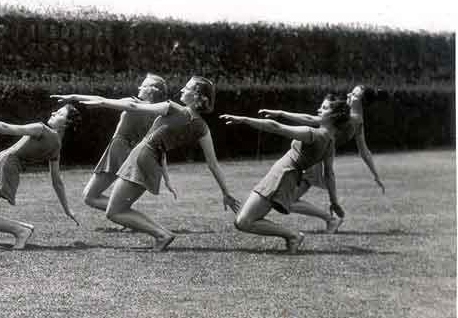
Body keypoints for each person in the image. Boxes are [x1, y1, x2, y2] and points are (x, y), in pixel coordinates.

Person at [79, 76, 240, 251]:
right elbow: (213, 164)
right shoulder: (202, 127)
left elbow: (134, 106)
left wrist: (102, 102)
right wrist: (226, 193)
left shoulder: (172, 108)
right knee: (118, 209)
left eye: (187, 88)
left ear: (197, 96)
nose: (182, 90)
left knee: (115, 212)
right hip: (153, 162)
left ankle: (162, 234)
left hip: (142, 156)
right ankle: (162, 234)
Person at [221, 97, 352, 254]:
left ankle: (293, 236)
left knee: (243, 222)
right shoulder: (330, 142)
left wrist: (243, 120)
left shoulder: (313, 134)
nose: (318, 110)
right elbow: (329, 174)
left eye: (323, 108)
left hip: (282, 175)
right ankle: (292, 236)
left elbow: (276, 127)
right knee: (244, 220)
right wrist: (334, 201)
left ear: (333, 116)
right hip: (288, 176)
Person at [0, 104, 80, 250]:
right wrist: (67, 209)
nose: (53, 112)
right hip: (8, 168)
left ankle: (20, 231)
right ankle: (23, 228)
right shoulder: (57, 146)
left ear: (66, 123)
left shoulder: (41, 129)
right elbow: (57, 181)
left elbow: (5, 127)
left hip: (4, 167)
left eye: (59, 113)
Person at [50, 73, 167, 217]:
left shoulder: (134, 102)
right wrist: (165, 176)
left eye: (143, 85)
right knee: (91, 196)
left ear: (152, 90)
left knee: (89, 197)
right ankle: (126, 212)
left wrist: (74, 97)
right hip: (133, 153)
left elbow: (101, 100)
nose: (139, 87)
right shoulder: (158, 111)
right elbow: (158, 145)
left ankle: (130, 215)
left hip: (118, 150)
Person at [258, 84, 386, 193]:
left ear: (362, 102)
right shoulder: (357, 119)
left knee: (288, 199)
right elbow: (364, 152)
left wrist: (281, 113)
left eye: (354, 95)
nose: (348, 95)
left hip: (313, 154)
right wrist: (376, 175)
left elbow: (311, 119)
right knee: (286, 196)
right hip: (314, 154)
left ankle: (330, 219)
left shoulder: (349, 119)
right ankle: (330, 218)